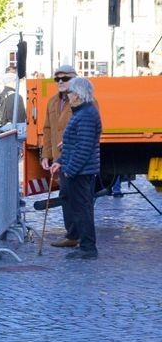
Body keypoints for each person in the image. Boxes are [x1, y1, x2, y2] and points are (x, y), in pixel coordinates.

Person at [40, 65, 97, 248]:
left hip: (75, 161)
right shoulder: (52, 102)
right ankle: (72, 235)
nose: (61, 82)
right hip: (61, 158)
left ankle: (85, 241)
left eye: (65, 79)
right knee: (66, 196)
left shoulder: (87, 103)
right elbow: (47, 129)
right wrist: (47, 154)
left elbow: (87, 137)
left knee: (81, 202)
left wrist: (70, 165)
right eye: (58, 79)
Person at [49, 76, 101, 260]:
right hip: (78, 169)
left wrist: (70, 170)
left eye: (70, 91)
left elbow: (84, 148)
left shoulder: (86, 115)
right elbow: (72, 144)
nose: (67, 94)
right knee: (80, 208)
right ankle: (84, 245)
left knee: (82, 209)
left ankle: (87, 248)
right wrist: (61, 161)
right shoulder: (82, 113)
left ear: (78, 95)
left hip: (81, 172)